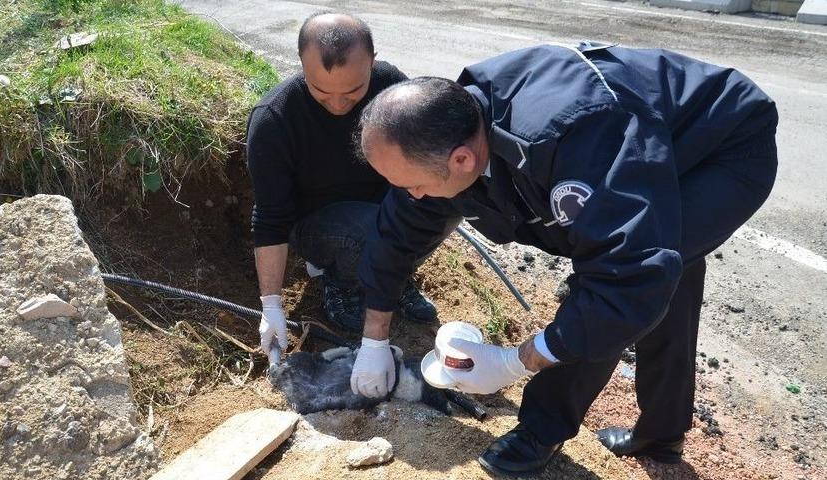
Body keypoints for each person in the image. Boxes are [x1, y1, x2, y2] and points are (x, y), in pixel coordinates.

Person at [350, 42, 778, 476]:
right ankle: (662, 436)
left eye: (414, 185)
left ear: (461, 159)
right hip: (644, 139)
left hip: (715, 149)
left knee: (623, 280)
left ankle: (541, 430)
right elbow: (396, 234)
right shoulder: (442, 132)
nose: (411, 195)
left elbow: (624, 277)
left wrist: (517, 360)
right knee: (669, 271)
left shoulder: (568, 140)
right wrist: (374, 340)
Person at [246, 13, 437, 363]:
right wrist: (271, 305)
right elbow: (270, 217)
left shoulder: (391, 86)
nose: (337, 105)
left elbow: (427, 152)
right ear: (302, 66)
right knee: (369, 232)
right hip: (318, 225)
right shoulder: (275, 119)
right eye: (321, 91)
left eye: (352, 92)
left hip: (382, 208)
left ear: (373, 64)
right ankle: (343, 283)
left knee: (444, 206)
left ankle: (397, 275)